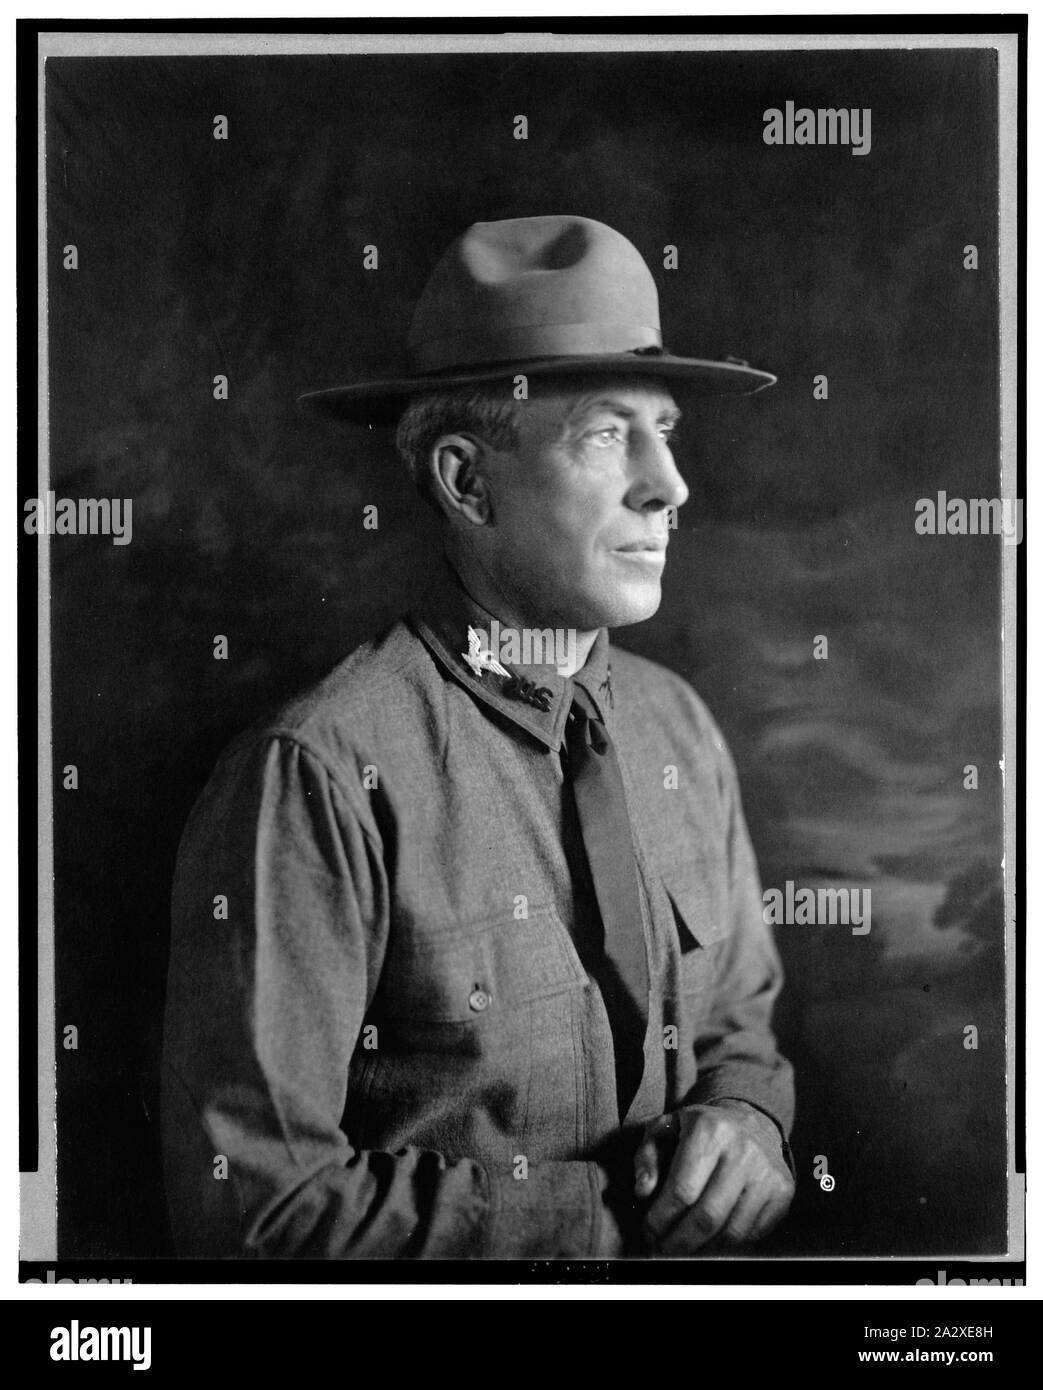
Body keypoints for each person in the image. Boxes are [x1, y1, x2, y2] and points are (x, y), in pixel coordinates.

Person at [161, 214, 795, 1259]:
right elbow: (254, 1210)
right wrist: (606, 1219)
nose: (668, 486)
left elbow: (738, 1024)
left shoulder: (677, 724)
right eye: (604, 434)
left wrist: (744, 1120)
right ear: (466, 483)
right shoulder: (315, 776)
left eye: (665, 430)